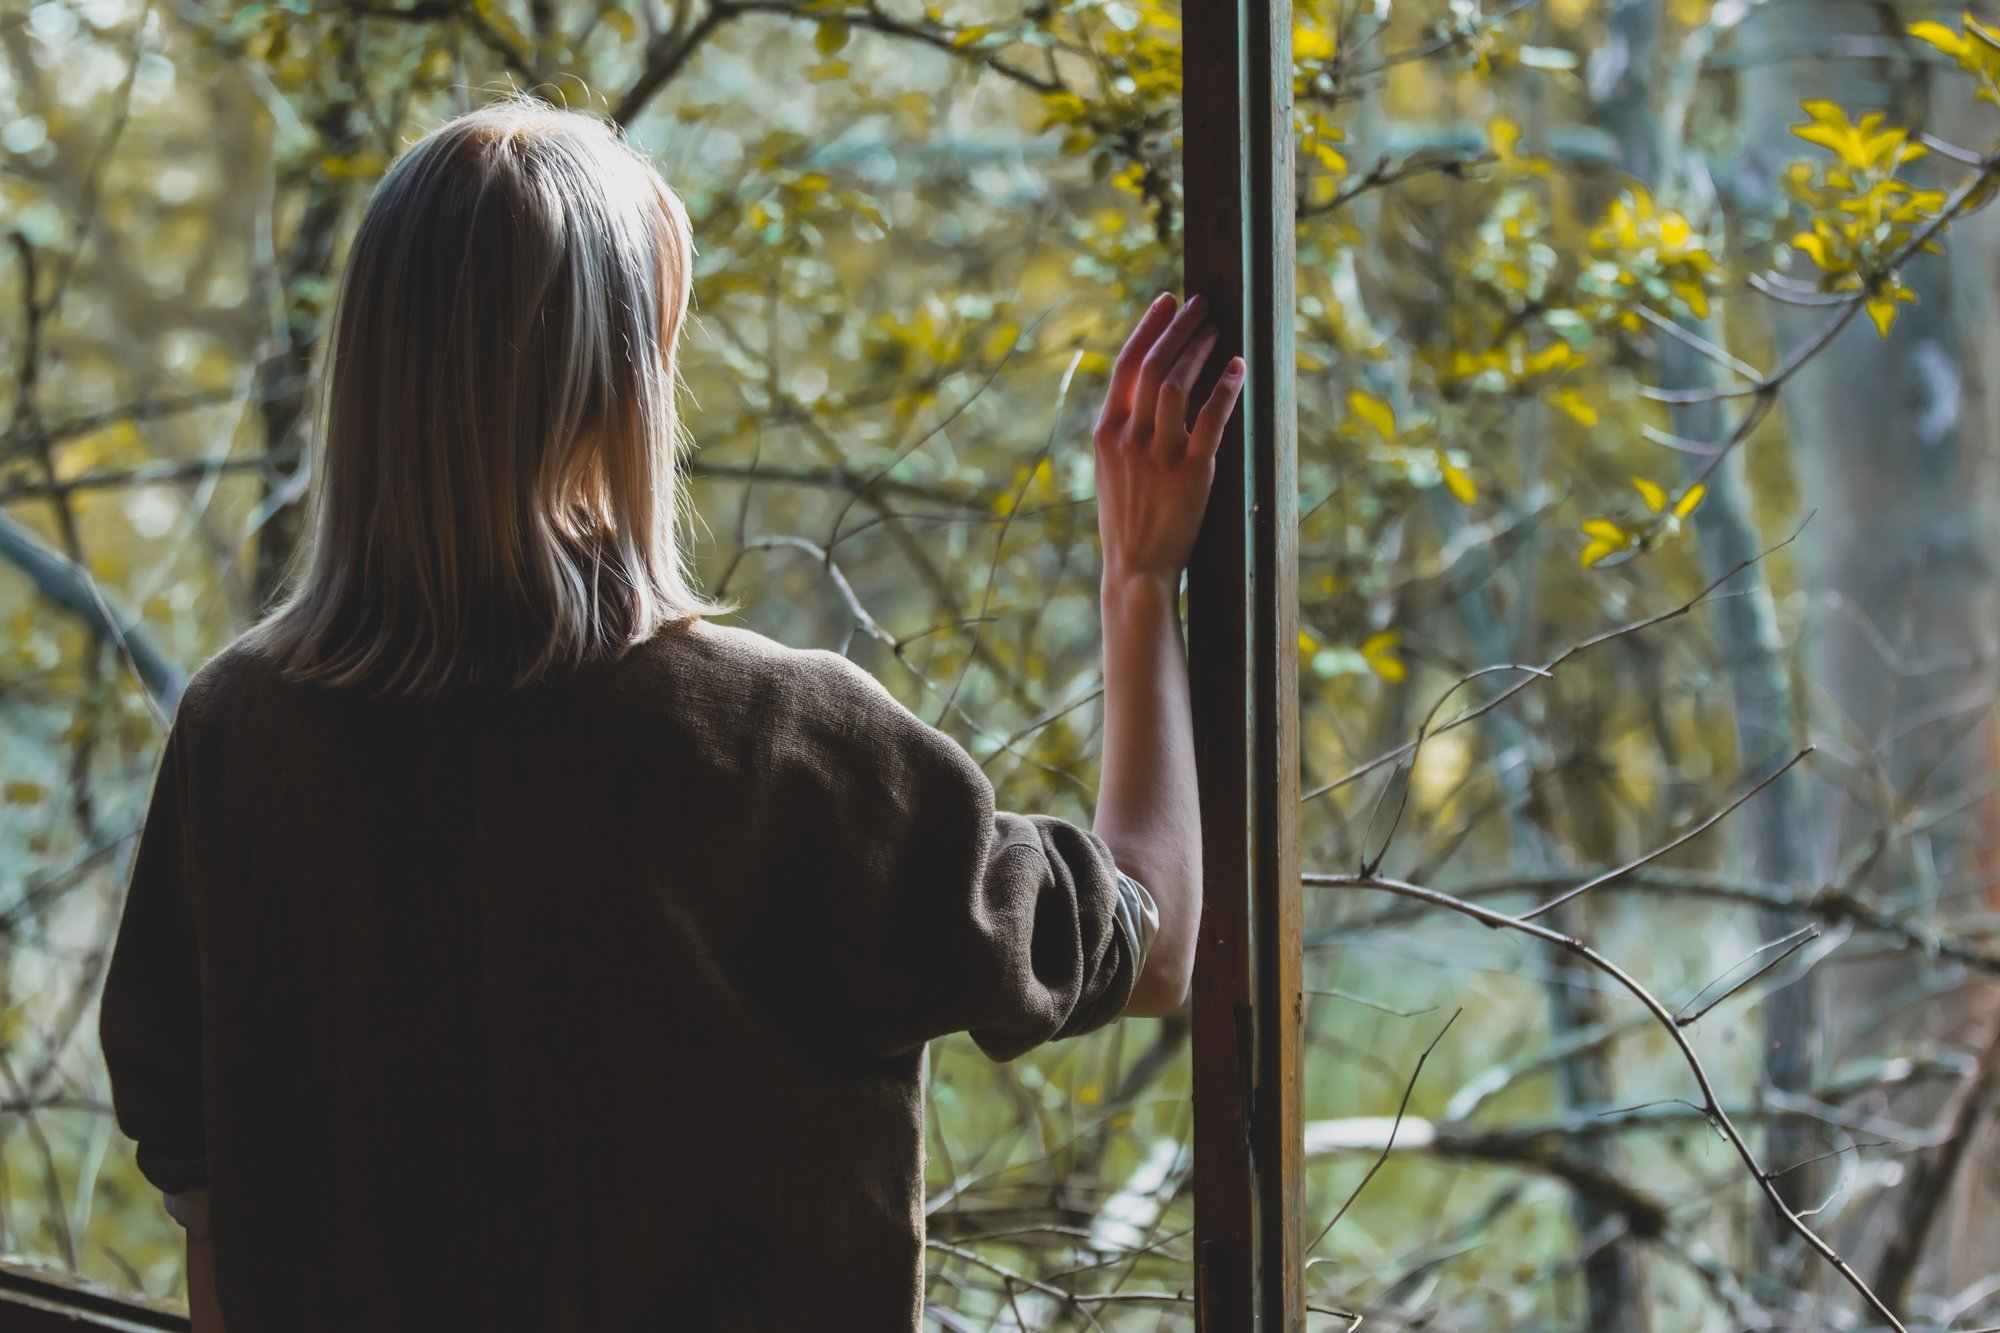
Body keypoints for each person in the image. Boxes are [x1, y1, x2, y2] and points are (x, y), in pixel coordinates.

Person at [99, 98, 1244, 1332]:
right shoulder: (777, 744)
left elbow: (205, 1191)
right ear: (620, 388)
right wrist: (1137, 584)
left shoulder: (238, 738)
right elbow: (1153, 939)